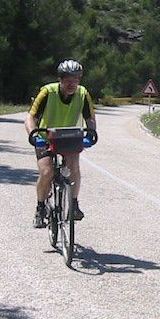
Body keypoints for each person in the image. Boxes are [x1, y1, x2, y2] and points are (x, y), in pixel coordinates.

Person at [25, 59, 97, 228]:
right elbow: (30, 117)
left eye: (76, 80)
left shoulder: (83, 93)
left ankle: (74, 205)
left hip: (69, 137)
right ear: (60, 79)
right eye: (68, 80)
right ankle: (40, 208)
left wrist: (90, 134)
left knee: (74, 168)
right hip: (45, 137)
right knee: (47, 172)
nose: (72, 84)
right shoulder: (47, 92)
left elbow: (90, 119)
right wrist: (34, 136)